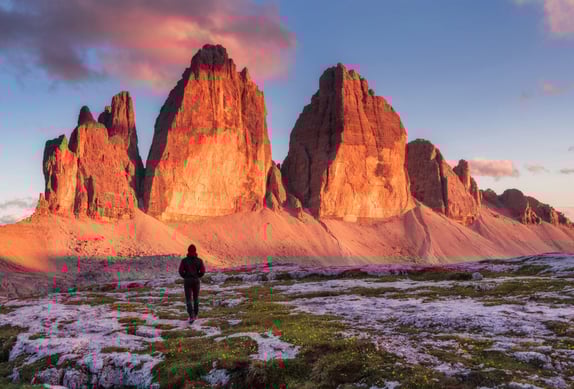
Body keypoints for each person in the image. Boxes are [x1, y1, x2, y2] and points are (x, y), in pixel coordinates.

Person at [178, 244, 206, 323]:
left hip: (187, 281)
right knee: (196, 297)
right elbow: (203, 271)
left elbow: (180, 271)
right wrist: (198, 276)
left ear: (188, 251)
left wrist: (185, 276)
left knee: (188, 298)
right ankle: (196, 314)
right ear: (195, 251)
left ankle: (191, 316)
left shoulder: (184, 260)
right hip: (196, 280)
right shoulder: (199, 260)